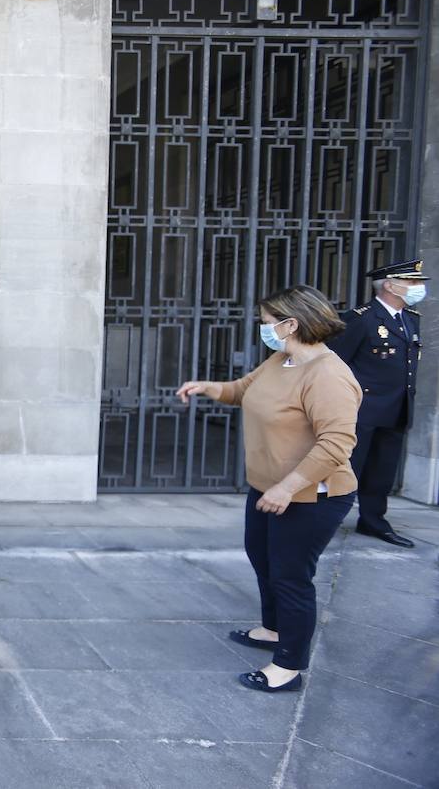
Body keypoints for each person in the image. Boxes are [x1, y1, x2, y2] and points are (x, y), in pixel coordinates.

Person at [177, 285, 360, 693]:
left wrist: (288, 487)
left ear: (290, 323)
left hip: (312, 495)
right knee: (263, 558)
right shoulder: (284, 358)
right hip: (268, 488)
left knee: (290, 575)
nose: (264, 329)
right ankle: (274, 629)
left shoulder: (329, 375)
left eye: (266, 322)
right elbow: (244, 390)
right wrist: (208, 386)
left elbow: (336, 444)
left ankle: (288, 666)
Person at [327, 259, 427, 549]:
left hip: (396, 408)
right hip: (361, 409)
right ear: (389, 285)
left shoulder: (411, 318)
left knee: (382, 471)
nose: (417, 288)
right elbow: (334, 364)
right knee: (346, 468)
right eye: (411, 282)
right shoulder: (360, 318)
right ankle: (326, 517)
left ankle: (373, 521)